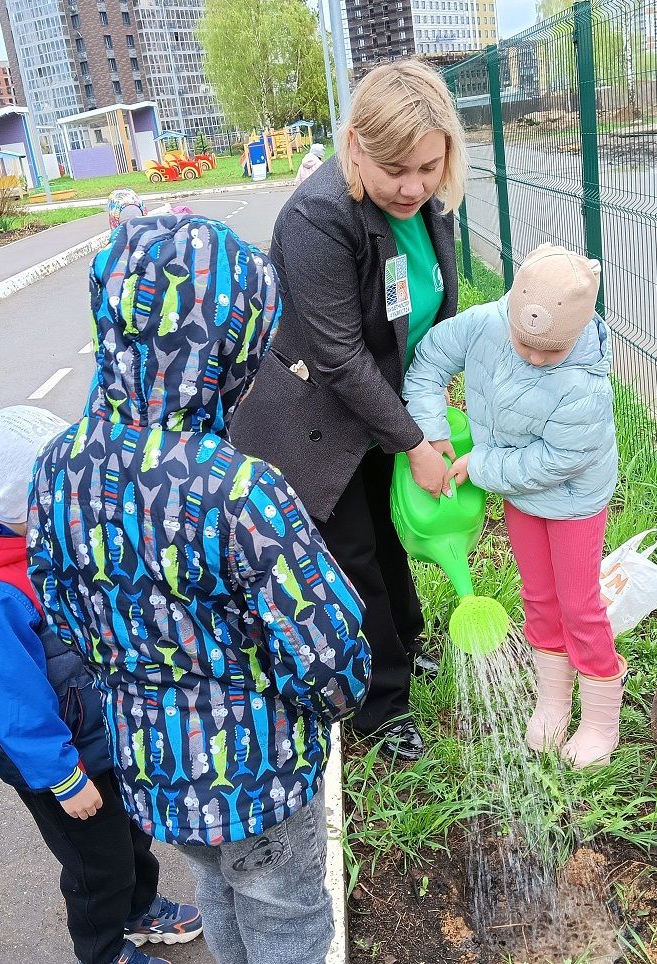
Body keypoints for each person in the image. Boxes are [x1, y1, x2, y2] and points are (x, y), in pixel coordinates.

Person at [27, 213, 371, 964]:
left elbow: (55, 599)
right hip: (259, 772)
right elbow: (328, 641)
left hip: (153, 763)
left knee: (216, 885)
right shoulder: (237, 489)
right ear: (232, 345)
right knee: (286, 911)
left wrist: (128, 669)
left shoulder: (58, 466)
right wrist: (329, 705)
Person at [230, 60, 469, 761]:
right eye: (395, 168)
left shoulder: (432, 202)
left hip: (383, 404)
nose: (413, 185)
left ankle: (407, 641)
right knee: (353, 555)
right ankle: (379, 705)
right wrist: (415, 441)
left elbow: (426, 311)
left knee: (389, 535)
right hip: (319, 419)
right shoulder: (318, 217)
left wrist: (430, 403)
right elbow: (338, 356)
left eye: (428, 166)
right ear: (354, 145)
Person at [0, 405, 203, 964]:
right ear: (21, 504)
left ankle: (139, 910)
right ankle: (103, 950)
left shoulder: (52, 541)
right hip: (60, 760)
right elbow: (13, 705)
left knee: (131, 833)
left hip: (105, 732)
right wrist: (64, 778)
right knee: (97, 865)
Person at [403, 244, 623, 767]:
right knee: (539, 598)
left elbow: (558, 460)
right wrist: (433, 433)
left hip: (572, 502)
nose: (534, 358)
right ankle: (552, 701)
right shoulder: (484, 325)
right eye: (525, 344)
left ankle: (599, 718)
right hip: (520, 497)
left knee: (579, 605)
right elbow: (429, 362)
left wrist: (479, 466)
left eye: (551, 351)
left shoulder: (583, 385)